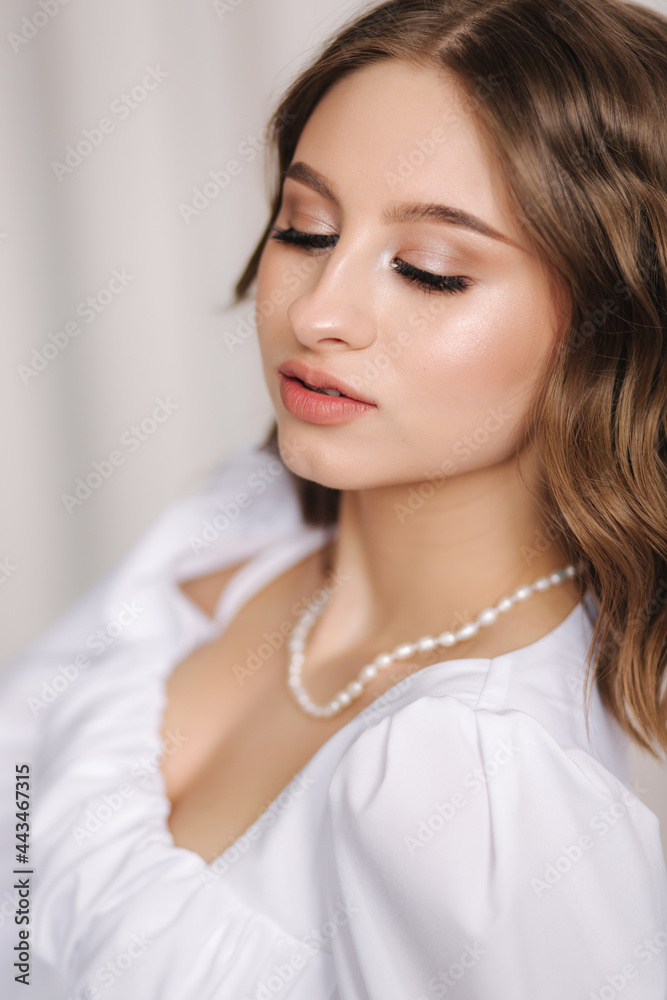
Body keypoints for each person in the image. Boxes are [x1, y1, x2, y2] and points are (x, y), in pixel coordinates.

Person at [2, 0, 667, 996]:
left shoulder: (484, 796)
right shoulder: (240, 516)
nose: (316, 313)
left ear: (610, 324)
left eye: (430, 271)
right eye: (305, 228)